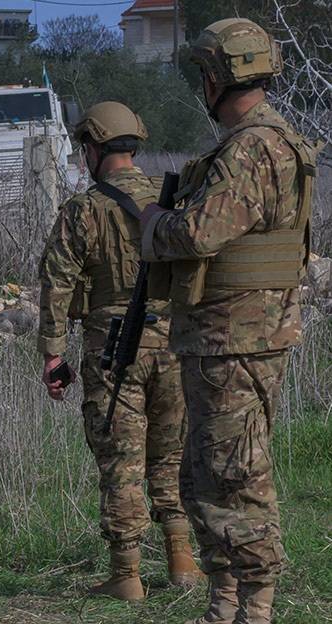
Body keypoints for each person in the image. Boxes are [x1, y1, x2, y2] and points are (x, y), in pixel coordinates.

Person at [138, 18, 318, 624]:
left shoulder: (251, 148)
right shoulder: (269, 142)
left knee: (235, 476)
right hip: (228, 336)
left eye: (203, 75)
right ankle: (227, 603)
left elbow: (198, 232)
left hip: (235, 338)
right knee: (207, 474)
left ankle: (254, 606)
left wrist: (149, 224)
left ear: (216, 77)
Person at [37, 101, 202, 601]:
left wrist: (52, 353)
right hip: (174, 344)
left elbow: (56, 283)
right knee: (171, 455)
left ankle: (127, 574)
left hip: (114, 348)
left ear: (92, 147)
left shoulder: (84, 209)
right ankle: (182, 559)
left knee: (122, 460)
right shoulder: (173, 201)